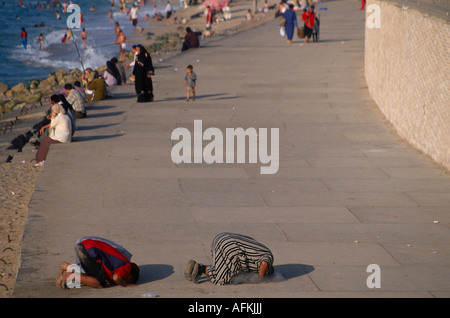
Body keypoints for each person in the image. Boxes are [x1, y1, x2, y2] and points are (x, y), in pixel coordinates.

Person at [185, 232, 274, 285]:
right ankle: (199, 269)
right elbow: (264, 264)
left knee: (222, 266)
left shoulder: (262, 250)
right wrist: (262, 279)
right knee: (223, 276)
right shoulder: (268, 258)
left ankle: (196, 267)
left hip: (221, 238)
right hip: (229, 245)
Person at [56, 236, 140, 289]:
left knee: (90, 277)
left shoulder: (116, 264)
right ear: (130, 275)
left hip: (85, 245)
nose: (124, 280)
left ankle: (66, 266)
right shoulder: (126, 265)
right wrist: (125, 285)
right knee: (100, 284)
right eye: (128, 280)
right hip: (91, 249)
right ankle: (71, 276)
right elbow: (117, 278)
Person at [35, 97, 72, 165]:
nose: (52, 112)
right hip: (66, 138)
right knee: (46, 140)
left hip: (62, 139)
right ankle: (40, 158)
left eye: (53, 111)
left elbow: (52, 125)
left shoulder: (59, 117)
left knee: (45, 140)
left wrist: (52, 116)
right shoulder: (64, 115)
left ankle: (40, 158)